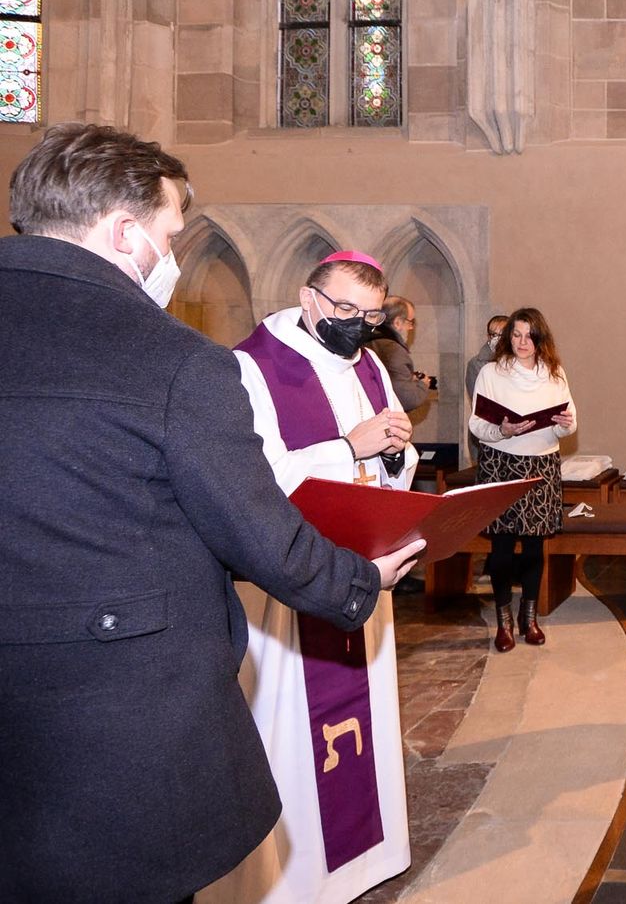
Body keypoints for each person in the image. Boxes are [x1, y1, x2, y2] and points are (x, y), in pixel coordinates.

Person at [0, 123, 422, 904]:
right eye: (169, 234)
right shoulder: (180, 362)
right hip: (119, 726)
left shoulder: (361, 366)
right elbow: (254, 519)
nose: (174, 257)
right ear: (125, 231)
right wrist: (360, 579)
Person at [213, 252, 420, 904]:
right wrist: (348, 448)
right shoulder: (253, 365)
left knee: (364, 718)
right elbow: (253, 481)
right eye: (347, 312)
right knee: (293, 737)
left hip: (360, 567)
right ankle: (297, 880)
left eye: (371, 316)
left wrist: (396, 449)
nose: (360, 328)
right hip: (292, 577)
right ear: (309, 300)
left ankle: (368, 858)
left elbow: (392, 459)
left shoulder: (369, 363)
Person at [468, 307, 576, 652]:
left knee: (534, 546)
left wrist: (562, 423)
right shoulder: (490, 372)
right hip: (500, 462)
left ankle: (529, 619)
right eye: (516, 335)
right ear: (507, 338)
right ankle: (505, 623)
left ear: (539, 338)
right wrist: (502, 429)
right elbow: (476, 424)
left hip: (541, 465)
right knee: (501, 547)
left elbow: (570, 423)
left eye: (529, 335)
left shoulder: (554, 373)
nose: (522, 342)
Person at [368, 294, 433, 415]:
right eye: (410, 322)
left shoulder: (366, 340)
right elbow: (406, 399)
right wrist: (423, 385)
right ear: (397, 323)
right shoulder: (393, 350)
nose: (411, 328)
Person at [465, 314, 508, 401]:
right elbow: (477, 400)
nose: (499, 339)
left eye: (502, 335)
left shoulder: (518, 361)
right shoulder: (475, 364)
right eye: (494, 335)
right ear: (488, 336)